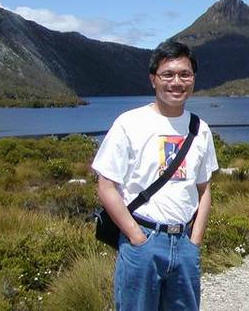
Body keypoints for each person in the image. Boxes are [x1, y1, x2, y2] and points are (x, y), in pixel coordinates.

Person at [92, 40, 218, 310]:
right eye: (167, 75)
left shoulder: (200, 129)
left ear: (193, 78)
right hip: (144, 241)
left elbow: (204, 188)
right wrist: (136, 237)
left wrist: (194, 242)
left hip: (184, 242)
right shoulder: (129, 123)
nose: (176, 82)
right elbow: (106, 185)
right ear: (153, 79)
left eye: (185, 74)